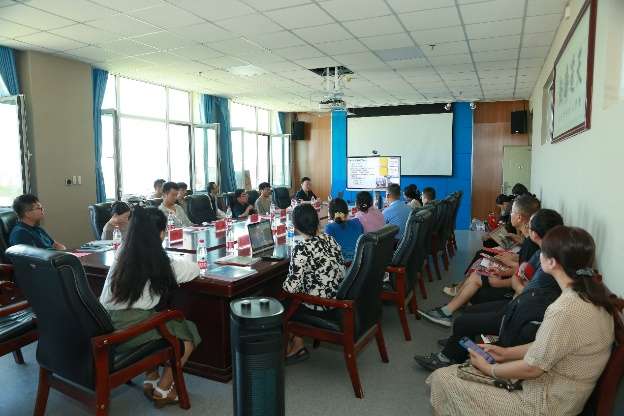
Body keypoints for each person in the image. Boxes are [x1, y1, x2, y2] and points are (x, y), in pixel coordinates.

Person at [427, 226, 618, 416]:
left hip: (545, 403)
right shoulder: (591, 298)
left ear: (552, 263)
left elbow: (533, 369)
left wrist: (490, 369)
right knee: (457, 374)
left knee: (443, 378)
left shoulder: (564, 309)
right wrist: (506, 353)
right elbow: (548, 345)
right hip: (561, 394)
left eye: (543, 251)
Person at [415, 208, 564, 371]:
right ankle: (458, 348)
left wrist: (519, 288)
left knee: (462, 322)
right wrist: (519, 286)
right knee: (468, 312)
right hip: (518, 305)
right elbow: (518, 278)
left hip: (519, 315)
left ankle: (446, 358)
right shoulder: (542, 253)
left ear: (534, 233)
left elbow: (524, 285)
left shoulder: (548, 263)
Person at [99, 207, 200, 408]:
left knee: (154, 315)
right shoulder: (160, 263)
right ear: (162, 233)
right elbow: (194, 269)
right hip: (126, 329)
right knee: (187, 332)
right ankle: (163, 389)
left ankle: (151, 378)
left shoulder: (123, 251)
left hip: (103, 322)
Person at [419, 199, 546, 328]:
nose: (509, 214)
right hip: (511, 281)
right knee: (475, 274)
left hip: (513, 289)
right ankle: (448, 310)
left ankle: (448, 311)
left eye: (512, 211)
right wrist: (504, 271)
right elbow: (522, 268)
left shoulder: (532, 245)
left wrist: (501, 280)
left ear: (519, 217)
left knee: (474, 284)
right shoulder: (529, 242)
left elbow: (523, 277)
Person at [282, 203, 346, 365]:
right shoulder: (330, 238)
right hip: (338, 298)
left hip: (322, 307)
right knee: (298, 296)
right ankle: (299, 345)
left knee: (283, 302)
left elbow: (291, 288)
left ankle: (287, 350)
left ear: (295, 226)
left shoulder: (302, 248)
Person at [324, 198, 363, 262]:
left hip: (343, 264)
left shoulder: (329, 228)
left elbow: (329, 251)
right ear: (346, 211)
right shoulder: (357, 222)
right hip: (360, 262)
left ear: (330, 214)